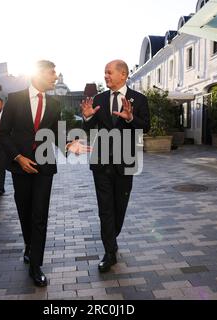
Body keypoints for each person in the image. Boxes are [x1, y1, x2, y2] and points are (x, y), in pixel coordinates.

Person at [0, 60, 89, 287]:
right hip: (20, 165)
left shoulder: (55, 104)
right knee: (24, 210)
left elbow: (55, 134)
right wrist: (18, 157)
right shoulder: (14, 99)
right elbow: (3, 134)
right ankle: (29, 245)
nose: (56, 78)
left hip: (44, 167)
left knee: (39, 215)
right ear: (38, 74)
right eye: (52, 73)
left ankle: (36, 265)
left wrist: (69, 145)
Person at [81, 59, 150, 273]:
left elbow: (145, 126)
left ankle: (112, 237)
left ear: (123, 74)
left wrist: (130, 118)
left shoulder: (138, 100)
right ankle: (109, 252)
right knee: (105, 209)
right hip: (101, 163)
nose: (106, 76)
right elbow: (89, 129)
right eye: (104, 73)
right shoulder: (99, 99)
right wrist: (86, 117)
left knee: (119, 208)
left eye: (109, 72)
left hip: (125, 163)